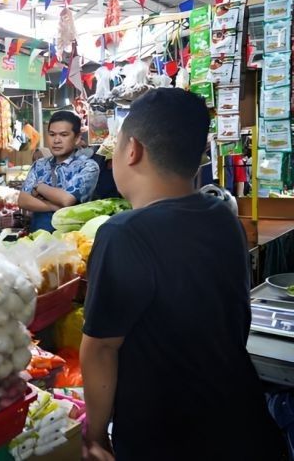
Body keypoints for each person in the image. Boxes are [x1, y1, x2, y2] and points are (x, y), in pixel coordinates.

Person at [80, 88, 285, 461]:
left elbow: (100, 349)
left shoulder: (123, 233)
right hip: (243, 423)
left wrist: (94, 436)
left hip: (167, 438)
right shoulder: (225, 218)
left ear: (132, 150)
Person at [18, 111, 99, 233]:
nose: (56, 140)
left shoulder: (88, 167)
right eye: (52, 134)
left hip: (73, 240)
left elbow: (67, 199)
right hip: (38, 239)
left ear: (77, 138)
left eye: (64, 135)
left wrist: (38, 186)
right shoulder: (39, 165)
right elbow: (23, 200)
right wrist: (53, 206)